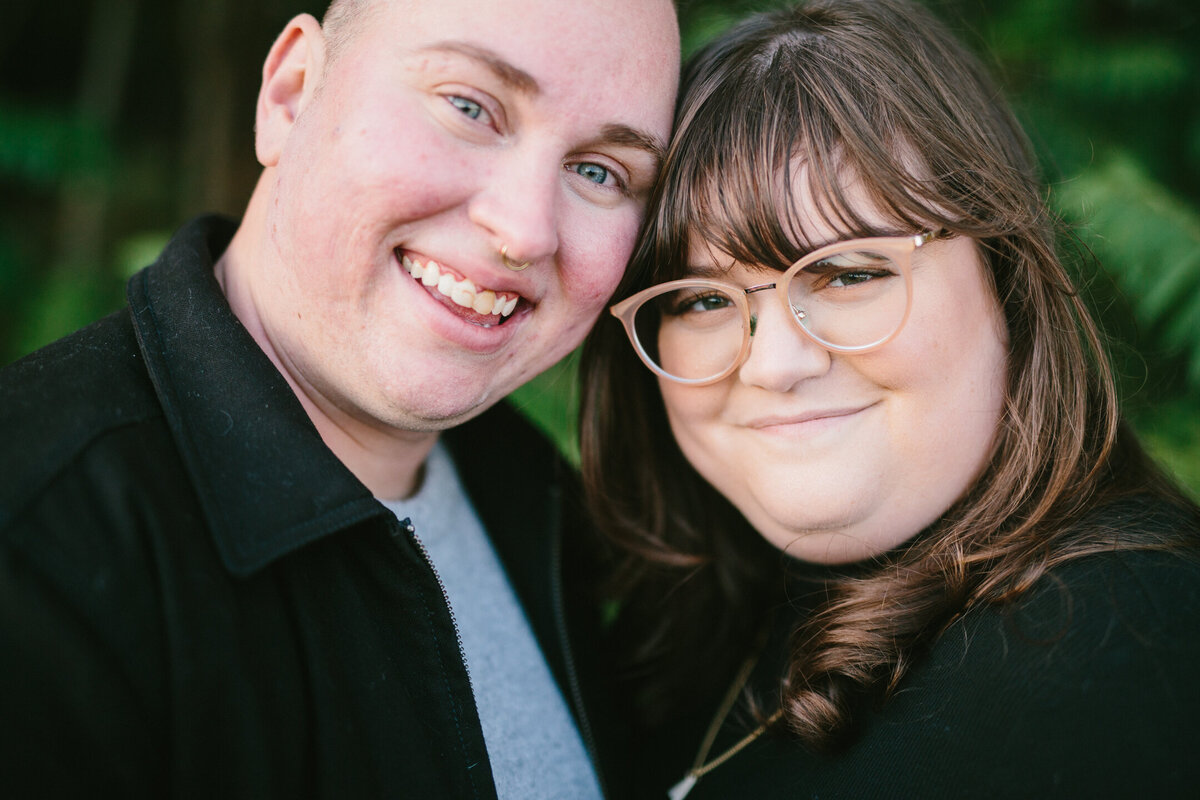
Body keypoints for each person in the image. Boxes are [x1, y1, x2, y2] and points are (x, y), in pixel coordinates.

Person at [0, 0, 678, 797]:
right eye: (470, 107)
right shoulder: (38, 550)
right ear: (290, 94)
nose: (527, 230)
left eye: (600, 171)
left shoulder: (546, 503)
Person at [579, 0, 1200, 797]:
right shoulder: (670, 637)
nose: (774, 365)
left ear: (1005, 277)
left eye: (849, 273)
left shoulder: (1132, 648)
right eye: (701, 299)